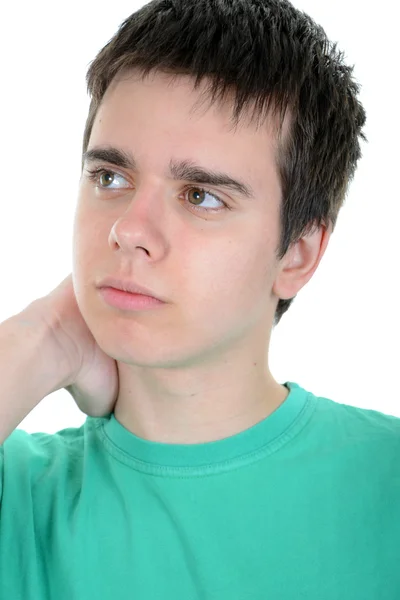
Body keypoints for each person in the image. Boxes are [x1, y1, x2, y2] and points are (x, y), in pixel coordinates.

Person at [1, 0, 399, 598]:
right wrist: (43, 338)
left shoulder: (386, 483)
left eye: (201, 196)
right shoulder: (21, 494)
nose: (129, 230)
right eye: (111, 177)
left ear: (297, 254)